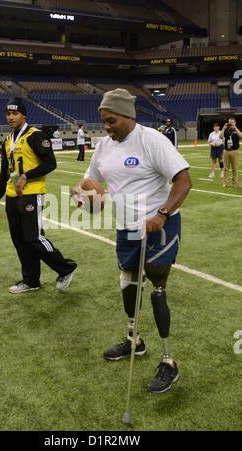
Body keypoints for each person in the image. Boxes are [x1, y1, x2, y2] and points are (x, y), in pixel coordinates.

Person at [71, 89, 192, 394]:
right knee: (128, 283)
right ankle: (134, 341)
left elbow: (183, 180)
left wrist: (162, 214)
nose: (107, 126)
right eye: (103, 121)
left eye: (111, 120)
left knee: (156, 285)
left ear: (128, 116)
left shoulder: (151, 139)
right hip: (126, 229)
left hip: (158, 227)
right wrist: (80, 193)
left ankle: (169, 362)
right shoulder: (103, 146)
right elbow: (91, 181)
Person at [0, 97, 77, 294]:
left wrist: (26, 176)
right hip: (12, 196)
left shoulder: (35, 135)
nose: (11, 117)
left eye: (15, 114)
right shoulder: (8, 140)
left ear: (24, 115)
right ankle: (31, 281)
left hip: (31, 194)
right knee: (20, 241)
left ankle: (66, 267)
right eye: (8, 114)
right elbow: (5, 171)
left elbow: (50, 163)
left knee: (34, 238)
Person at [219, 117, 242, 188]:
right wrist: (223, 128)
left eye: (232, 122)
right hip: (226, 151)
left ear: (235, 122)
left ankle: (235, 183)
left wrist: (235, 128)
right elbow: (220, 137)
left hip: (234, 151)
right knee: (226, 168)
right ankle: (225, 183)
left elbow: (241, 136)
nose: (230, 123)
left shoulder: (237, 130)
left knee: (234, 168)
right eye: (229, 122)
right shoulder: (226, 130)